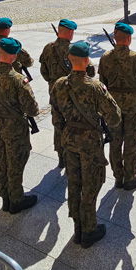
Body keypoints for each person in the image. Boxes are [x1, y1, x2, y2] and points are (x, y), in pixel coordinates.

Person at [51, 40, 122, 247]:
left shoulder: (59, 85)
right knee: (91, 184)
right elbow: (115, 117)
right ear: (87, 60)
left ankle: (78, 228)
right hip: (90, 144)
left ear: (69, 60)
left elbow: (56, 118)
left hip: (69, 140)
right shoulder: (95, 87)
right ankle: (89, 229)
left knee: (74, 183)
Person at [0, 37, 40, 213]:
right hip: (15, 127)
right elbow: (33, 109)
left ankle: (5, 197)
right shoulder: (18, 79)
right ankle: (16, 199)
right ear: (14, 56)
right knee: (16, 161)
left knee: (1, 159)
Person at [98, 23, 136, 191]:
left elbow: (102, 85)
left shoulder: (105, 57)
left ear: (115, 38)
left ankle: (118, 177)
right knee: (131, 141)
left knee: (115, 141)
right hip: (135, 107)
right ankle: (130, 177)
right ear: (129, 39)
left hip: (113, 106)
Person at [39, 18, 95, 167]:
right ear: (70, 32)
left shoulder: (47, 48)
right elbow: (90, 72)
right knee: (74, 123)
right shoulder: (74, 50)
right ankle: (74, 153)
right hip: (73, 93)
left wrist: (52, 82)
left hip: (55, 92)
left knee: (58, 123)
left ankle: (61, 157)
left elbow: (43, 71)